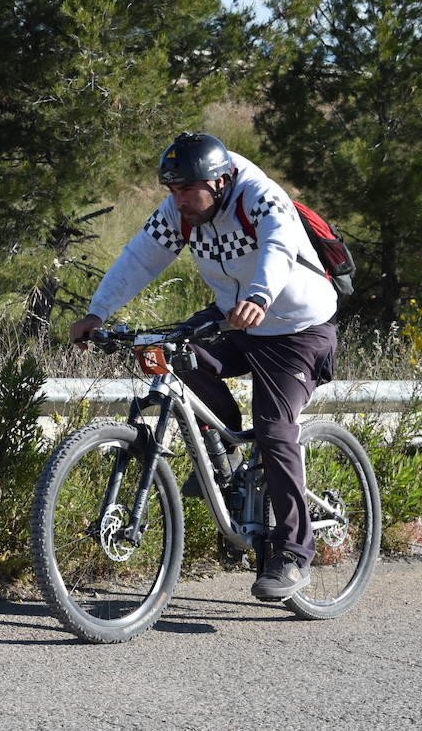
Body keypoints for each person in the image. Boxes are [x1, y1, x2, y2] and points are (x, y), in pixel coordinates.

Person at [69, 132, 338, 601]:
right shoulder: (183, 209)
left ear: (219, 182)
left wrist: (260, 294)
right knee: (172, 357)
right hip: (235, 317)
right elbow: (139, 257)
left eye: (186, 190)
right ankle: (227, 453)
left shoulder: (260, 196)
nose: (178, 202)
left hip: (296, 327)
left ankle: (294, 552)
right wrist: (97, 312)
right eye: (171, 191)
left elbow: (277, 246)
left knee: (275, 429)